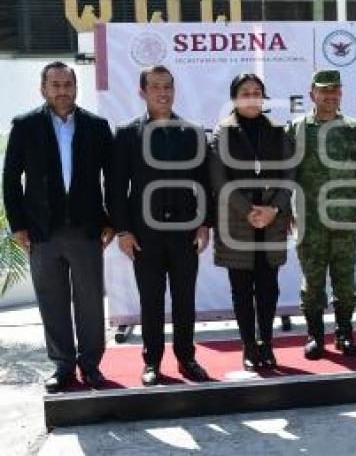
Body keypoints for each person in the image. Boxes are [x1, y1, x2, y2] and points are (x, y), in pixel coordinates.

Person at [2, 61, 114, 392]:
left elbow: (113, 176)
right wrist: (18, 224)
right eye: (56, 85)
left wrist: (110, 221)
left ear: (76, 87)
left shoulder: (96, 126)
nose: (63, 91)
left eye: (68, 84)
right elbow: (10, 179)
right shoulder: (25, 126)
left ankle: (91, 364)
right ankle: (63, 366)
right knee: (51, 300)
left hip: (86, 229)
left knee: (91, 301)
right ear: (43, 89)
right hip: (42, 231)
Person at [110, 65, 211, 385]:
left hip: (185, 234)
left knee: (185, 300)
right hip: (144, 236)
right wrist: (123, 230)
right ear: (142, 92)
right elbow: (114, 188)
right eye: (155, 87)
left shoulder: (193, 132)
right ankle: (151, 362)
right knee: (150, 301)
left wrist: (204, 224)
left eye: (168, 86)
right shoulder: (127, 134)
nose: (163, 92)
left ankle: (187, 358)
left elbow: (205, 184)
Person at [209, 73, 295, 370]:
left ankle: (267, 345)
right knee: (242, 289)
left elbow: (289, 177)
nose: (251, 96)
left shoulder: (277, 132)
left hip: (272, 223)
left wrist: (274, 210)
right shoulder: (222, 132)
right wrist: (248, 211)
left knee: (269, 289)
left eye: (257, 91)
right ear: (234, 98)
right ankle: (248, 347)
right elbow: (218, 180)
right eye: (245, 92)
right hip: (237, 223)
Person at [287, 70, 356, 360]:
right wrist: (285, 209)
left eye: (335, 90)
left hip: (343, 218)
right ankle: (314, 335)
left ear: (341, 93)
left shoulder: (355, 130)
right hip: (309, 220)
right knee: (312, 282)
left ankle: (345, 333)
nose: (330, 95)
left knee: (345, 280)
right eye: (324, 90)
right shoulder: (297, 129)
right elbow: (286, 174)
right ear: (312, 94)